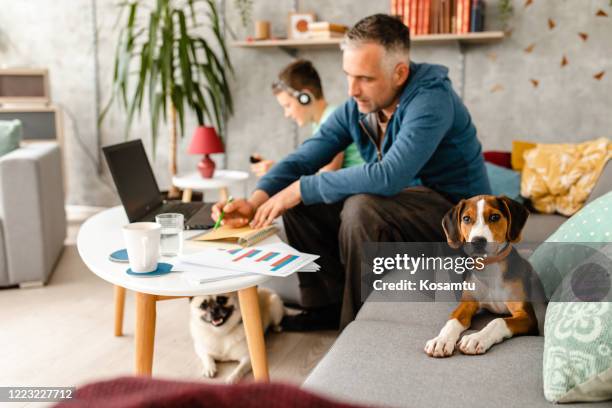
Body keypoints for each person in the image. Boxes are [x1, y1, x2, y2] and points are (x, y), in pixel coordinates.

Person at [213, 14, 491, 331]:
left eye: (365, 78)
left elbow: (390, 176)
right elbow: (302, 159)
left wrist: (303, 187)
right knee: (301, 203)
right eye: (348, 75)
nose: (353, 90)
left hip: (460, 221)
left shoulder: (431, 100)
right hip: (407, 207)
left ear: (400, 73)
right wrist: (256, 200)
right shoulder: (358, 108)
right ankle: (326, 307)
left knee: (362, 207)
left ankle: (358, 328)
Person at [251, 59, 364, 177]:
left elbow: (324, 180)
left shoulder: (332, 121)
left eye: (287, 106)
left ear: (305, 97)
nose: (287, 114)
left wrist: (280, 173)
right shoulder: (322, 122)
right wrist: (279, 170)